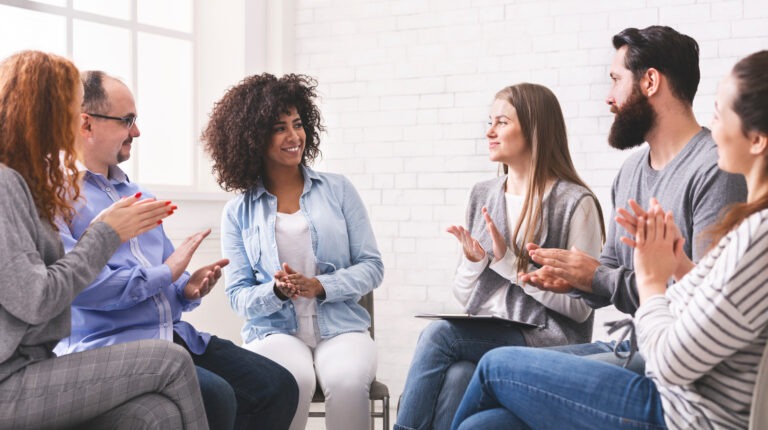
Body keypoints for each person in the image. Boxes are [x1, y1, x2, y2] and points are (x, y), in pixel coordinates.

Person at [452, 49, 768, 430]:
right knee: (485, 425)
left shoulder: (755, 233)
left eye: (720, 114)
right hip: (668, 381)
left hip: (680, 408)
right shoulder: (638, 174)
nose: (712, 130)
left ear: (757, 140)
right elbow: (710, 306)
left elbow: (671, 362)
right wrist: (675, 265)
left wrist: (651, 281)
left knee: (494, 365)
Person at [54, 70, 298, 430]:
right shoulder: (58, 198)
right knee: (216, 396)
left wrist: (186, 287)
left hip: (173, 335)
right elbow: (84, 288)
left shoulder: (140, 196)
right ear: (86, 125)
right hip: (110, 348)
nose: (136, 131)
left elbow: (167, 273)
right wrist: (167, 274)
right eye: (127, 121)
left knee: (277, 386)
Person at [0, 50, 207, 429]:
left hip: (34, 366)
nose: (76, 123)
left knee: (155, 415)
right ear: (39, 112)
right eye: (67, 109)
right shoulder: (4, 182)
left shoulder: (26, 182)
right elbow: (35, 299)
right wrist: (104, 234)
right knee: (172, 361)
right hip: (8, 383)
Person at [519, 25, 747, 367]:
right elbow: (611, 268)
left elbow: (704, 297)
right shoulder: (630, 171)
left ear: (650, 82)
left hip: (676, 363)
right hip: (633, 347)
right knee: (484, 408)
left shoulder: (715, 167)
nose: (609, 98)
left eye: (615, 79)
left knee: (500, 366)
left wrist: (596, 277)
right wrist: (574, 279)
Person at [395, 83, 606, 430]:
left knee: (438, 336)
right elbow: (466, 296)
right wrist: (475, 262)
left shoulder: (574, 202)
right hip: (489, 332)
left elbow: (580, 307)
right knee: (459, 373)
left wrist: (509, 264)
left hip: (550, 341)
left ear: (534, 128)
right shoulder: (483, 194)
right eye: (489, 122)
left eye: (502, 122)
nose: (489, 132)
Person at [202, 73, 384, 430]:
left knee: (347, 383)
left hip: (342, 328)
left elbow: (372, 267)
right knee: (290, 383)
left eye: (298, 124)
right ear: (253, 138)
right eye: (279, 128)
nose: (293, 136)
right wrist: (276, 291)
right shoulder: (238, 211)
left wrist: (320, 286)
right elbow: (238, 296)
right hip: (273, 333)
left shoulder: (339, 190)